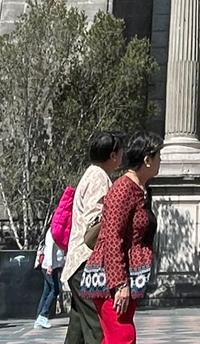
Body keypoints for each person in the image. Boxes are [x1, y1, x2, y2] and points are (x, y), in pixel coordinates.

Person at [90, 134, 160, 344]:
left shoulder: (139, 189)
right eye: (159, 157)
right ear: (147, 159)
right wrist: (119, 284)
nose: (160, 162)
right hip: (110, 282)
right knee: (122, 337)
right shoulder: (123, 188)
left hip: (125, 278)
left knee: (115, 338)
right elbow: (112, 236)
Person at [62, 131, 124, 344]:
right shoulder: (98, 177)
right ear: (113, 155)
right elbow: (95, 222)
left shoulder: (92, 173)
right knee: (97, 328)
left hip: (77, 263)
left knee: (78, 328)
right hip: (87, 264)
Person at [36, 186, 76, 328]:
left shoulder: (54, 231)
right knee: (56, 290)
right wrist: (50, 265)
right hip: (49, 265)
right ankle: (43, 315)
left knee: (47, 291)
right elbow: (50, 248)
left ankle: (39, 316)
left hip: (51, 265)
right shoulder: (52, 232)